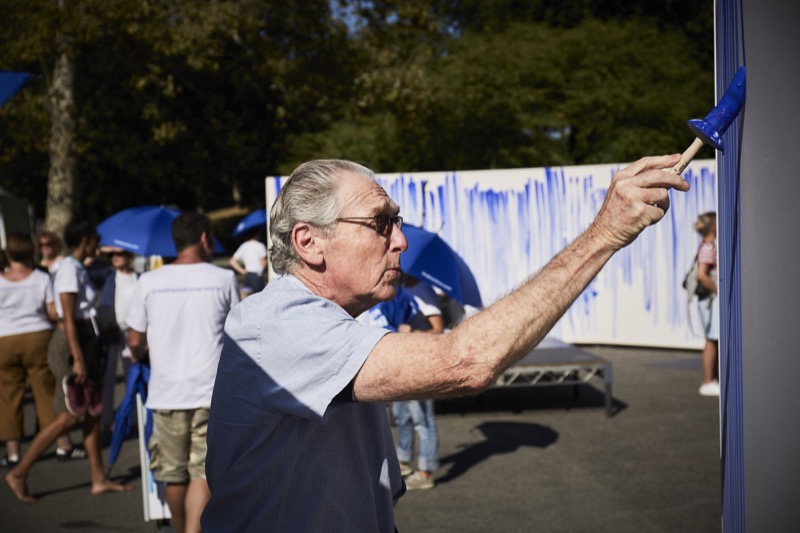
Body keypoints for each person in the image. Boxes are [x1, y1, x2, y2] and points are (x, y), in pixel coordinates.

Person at [202, 156, 688, 531]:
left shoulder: (331, 323)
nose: (400, 241)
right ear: (309, 243)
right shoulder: (277, 323)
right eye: (380, 223)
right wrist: (605, 232)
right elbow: (463, 362)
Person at [127, 213, 240, 533]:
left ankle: (182, 529)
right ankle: (194, 528)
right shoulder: (223, 278)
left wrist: (145, 351)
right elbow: (236, 334)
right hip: (211, 393)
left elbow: (134, 341)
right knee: (203, 471)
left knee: (172, 473)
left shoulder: (148, 282)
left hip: (165, 393)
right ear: (205, 238)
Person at [4, 220, 132, 503]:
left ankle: (98, 478)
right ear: (84, 239)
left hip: (85, 342)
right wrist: (78, 359)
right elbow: (68, 319)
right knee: (68, 416)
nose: (98, 244)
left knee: (93, 412)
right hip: (72, 347)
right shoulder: (70, 270)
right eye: (95, 238)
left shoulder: (75, 267)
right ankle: (19, 471)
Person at [391, 275, 444, 490]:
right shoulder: (402, 288)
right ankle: (403, 463)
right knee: (402, 417)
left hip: (421, 366)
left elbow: (439, 331)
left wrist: (412, 332)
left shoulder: (424, 291)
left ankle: (425, 472)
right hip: (403, 365)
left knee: (423, 420)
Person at [97, 248, 139, 439]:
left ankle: (135, 421)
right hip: (112, 332)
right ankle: (105, 422)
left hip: (134, 332)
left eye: (120, 253)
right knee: (108, 379)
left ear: (129, 256)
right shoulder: (107, 276)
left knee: (134, 378)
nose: (115, 258)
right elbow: (89, 269)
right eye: (112, 255)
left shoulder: (138, 277)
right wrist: (99, 250)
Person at [694, 212, 720, 397]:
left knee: (713, 340)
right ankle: (708, 381)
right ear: (712, 226)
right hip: (710, 300)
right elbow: (701, 274)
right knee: (711, 340)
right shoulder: (709, 246)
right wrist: (717, 289)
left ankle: (711, 380)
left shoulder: (707, 245)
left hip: (710, 299)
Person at [228, 230, 268, 296]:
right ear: (257, 235)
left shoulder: (244, 246)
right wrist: (261, 272)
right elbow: (263, 262)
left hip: (247, 276)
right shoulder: (260, 245)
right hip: (257, 276)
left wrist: (242, 271)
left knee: (248, 299)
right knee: (260, 299)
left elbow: (232, 261)